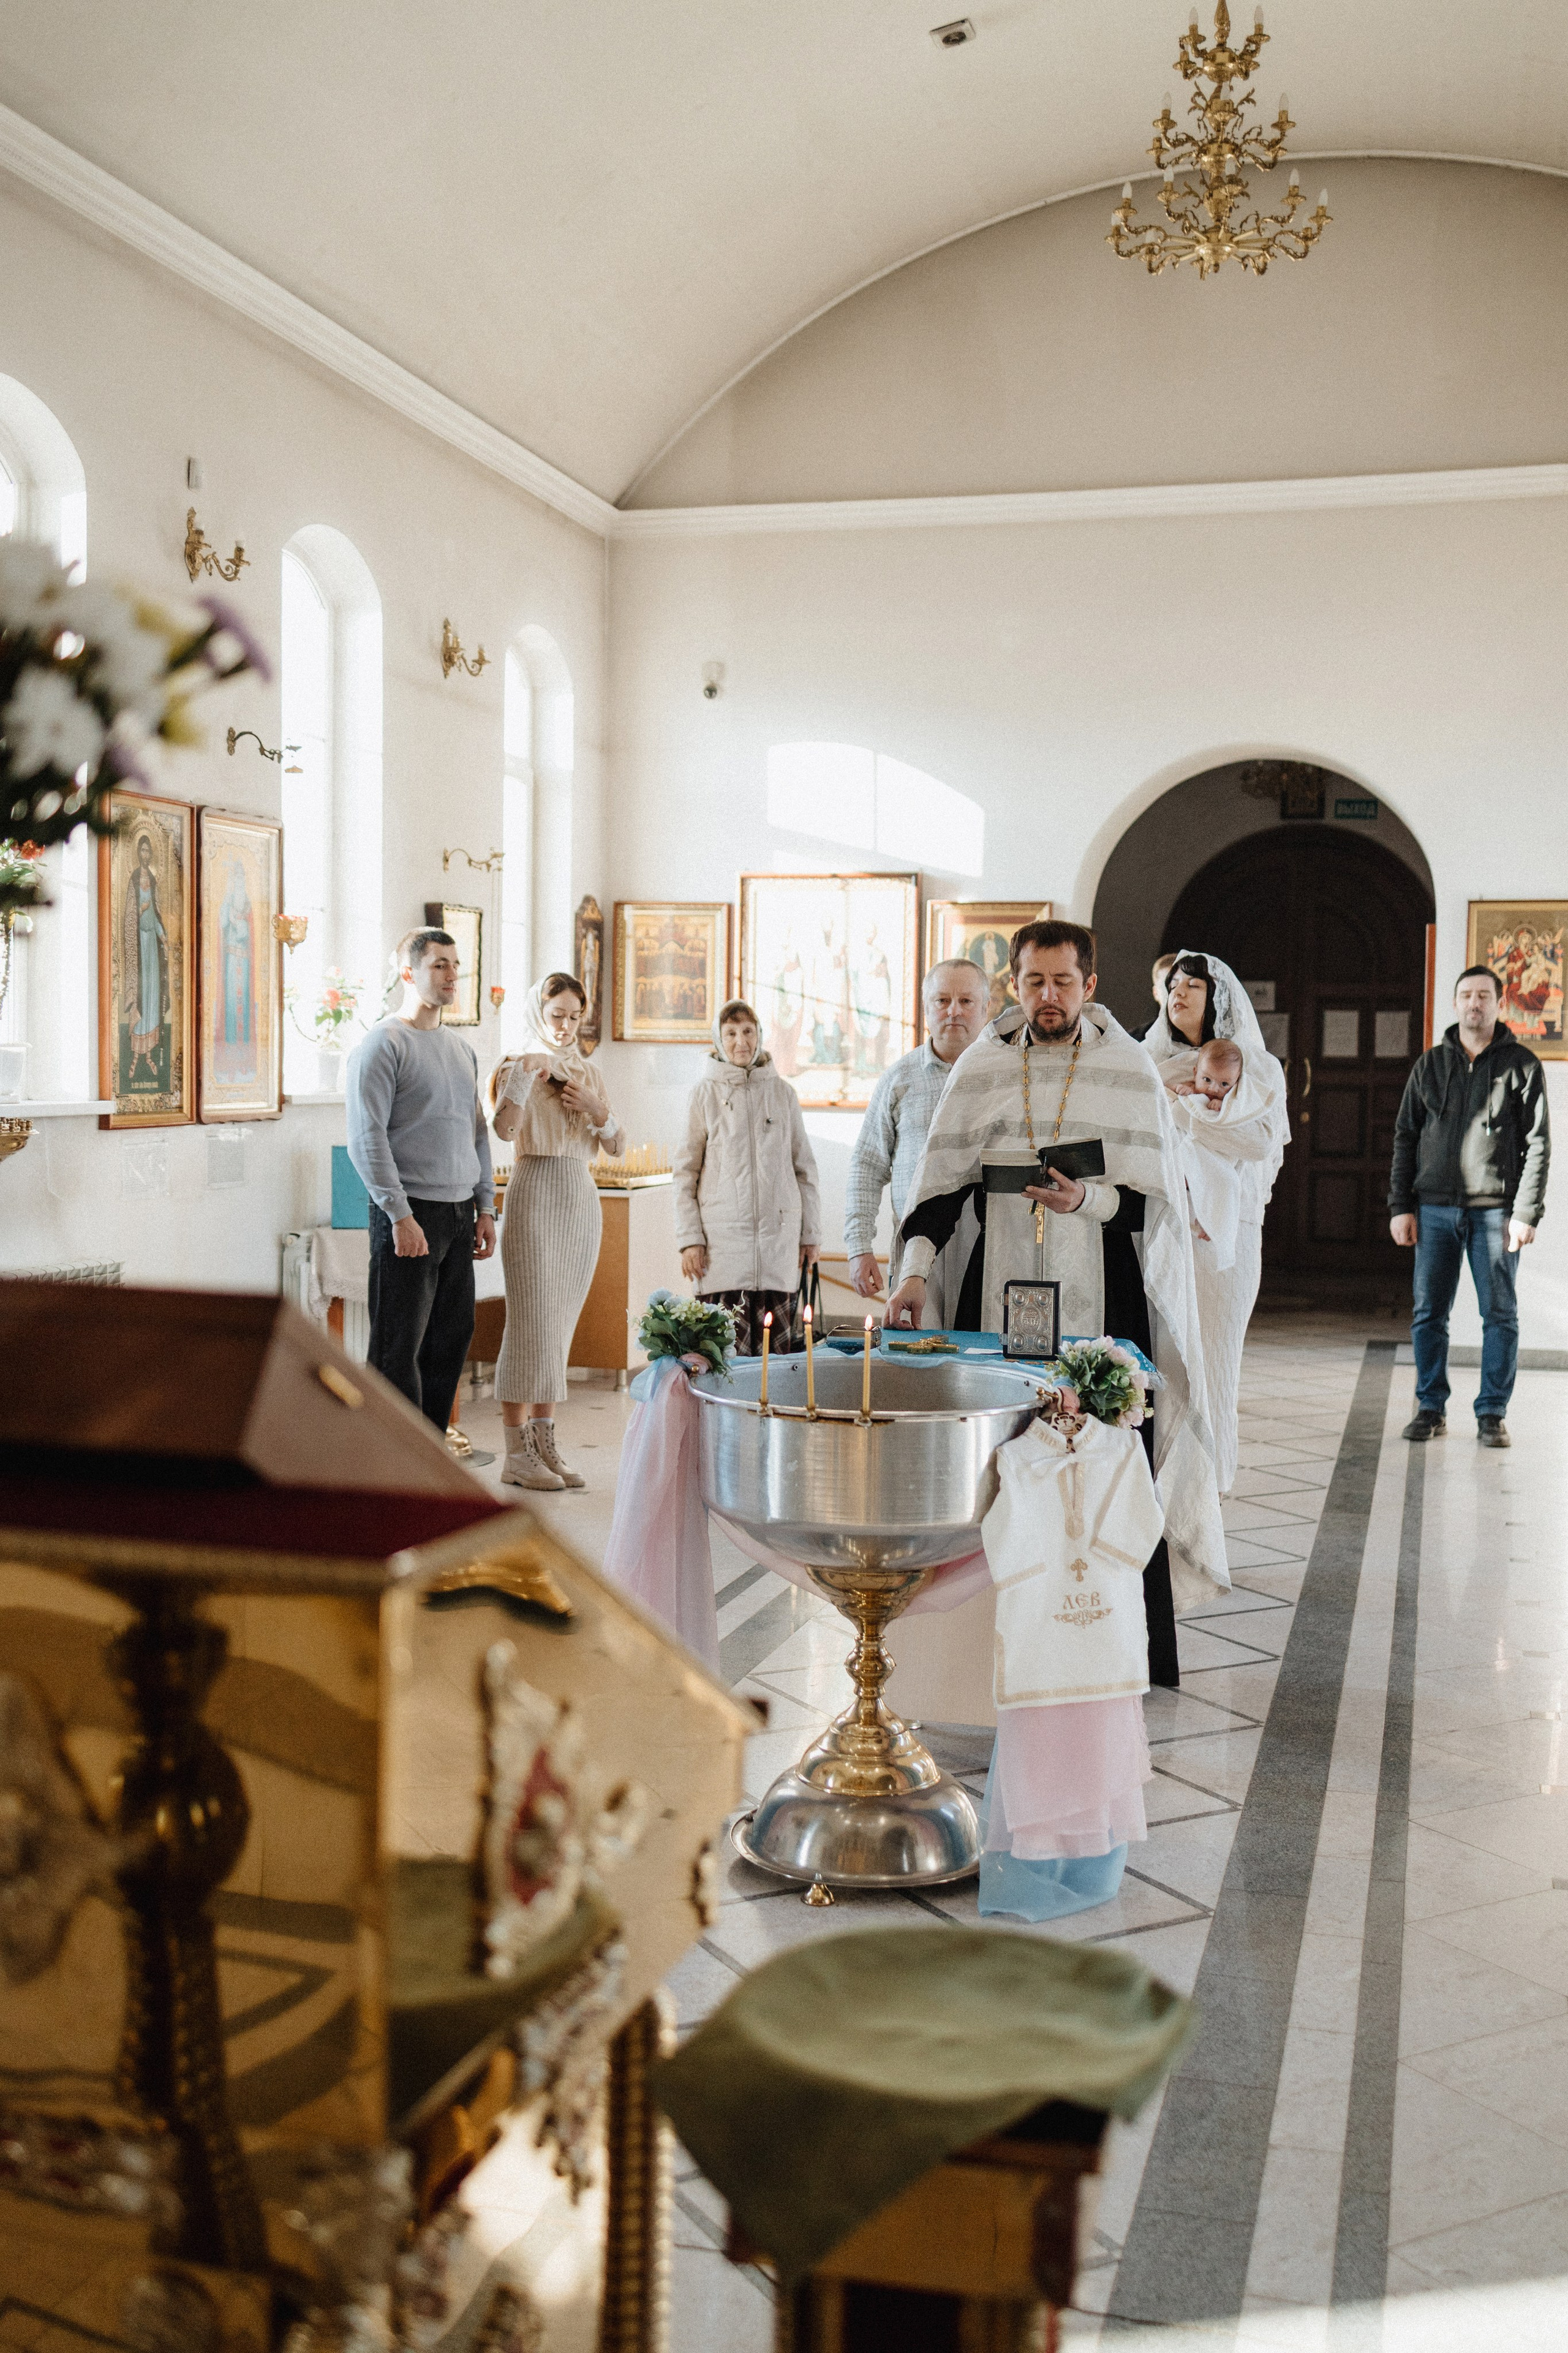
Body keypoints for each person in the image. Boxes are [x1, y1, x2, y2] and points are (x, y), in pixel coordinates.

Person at [888, 920, 1229, 1685]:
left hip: (1101, 1294)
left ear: (1091, 985)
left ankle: (1124, 1647)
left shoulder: (1126, 1068)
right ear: (1014, 983)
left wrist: (1090, 1200)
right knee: (1001, 1458)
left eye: (1063, 983)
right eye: (1034, 982)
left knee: (1110, 1463)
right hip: (995, 1295)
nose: (1049, 997)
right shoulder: (981, 1068)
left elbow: (1158, 1206)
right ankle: (995, 1643)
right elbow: (939, 1192)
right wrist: (913, 1272)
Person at [1145, 952, 1289, 1495]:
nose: (1178, 991)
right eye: (1174, 983)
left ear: (1219, 998)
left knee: (1217, 1361)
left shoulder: (1257, 1067)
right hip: (1162, 1227)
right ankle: (1164, 1482)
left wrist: (1183, 1111)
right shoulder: (1147, 1059)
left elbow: (1256, 1141)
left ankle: (1212, 1484)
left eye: (1193, 985)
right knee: (1166, 1360)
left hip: (1228, 1238)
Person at [1390, 964, 1551, 1449]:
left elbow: (1538, 1144)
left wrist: (1527, 1213)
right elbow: (1405, 1137)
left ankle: (1491, 1414)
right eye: (1466, 995)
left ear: (1500, 1004)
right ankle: (1431, 1407)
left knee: (1499, 1315)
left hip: (1496, 1213)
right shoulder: (1429, 1066)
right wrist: (1401, 1205)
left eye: (1484, 995)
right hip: (1434, 1209)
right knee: (1428, 1314)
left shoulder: (1522, 1065)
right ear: (1456, 1003)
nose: (1474, 1003)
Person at [346, 928, 496, 1430]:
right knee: (396, 1351)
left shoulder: (462, 1050)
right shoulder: (382, 1044)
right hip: (411, 1213)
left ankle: (429, 1464)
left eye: (456, 964)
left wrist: (486, 1208)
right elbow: (366, 1140)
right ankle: (389, 1472)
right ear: (408, 973)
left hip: (458, 1216)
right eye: (439, 965)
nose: (452, 974)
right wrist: (399, 1215)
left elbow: (475, 1134)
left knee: (448, 1344)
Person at [489, 973, 625, 1490]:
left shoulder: (589, 1073)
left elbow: (616, 1145)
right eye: (557, 1016)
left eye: (574, 1016)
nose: (566, 1026)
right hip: (534, 1190)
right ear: (538, 1014)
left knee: (559, 1327)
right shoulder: (514, 1065)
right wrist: (524, 1077)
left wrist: (597, 1109)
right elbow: (502, 1130)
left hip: (579, 1196)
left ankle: (545, 1443)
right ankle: (514, 1449)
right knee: (530, 1323)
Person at [845, 959, 991, 1322]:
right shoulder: (899, 1080)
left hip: (988, 1251)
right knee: (917, 1368)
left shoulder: (1006, 1078)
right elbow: (866, 1166)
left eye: (966, 1001)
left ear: (987, 1008)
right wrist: (859, 1247)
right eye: (942, 1001)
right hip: (914, 1252)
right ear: (926, 1008)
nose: (954, 1011)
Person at [674, 997, 821, 1355]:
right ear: (718, 1039)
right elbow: (685, 1174)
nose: (742, 1042)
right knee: (724, 1361)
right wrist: (690, 1239)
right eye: (731, 1033)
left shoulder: (783, 1094)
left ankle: (776, 1415)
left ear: (759, 1035)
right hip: (723, 1252)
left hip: (778, 1250)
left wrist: (811, 1233)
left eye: (748, 1032)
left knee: (780, 1365)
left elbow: (805, 1170)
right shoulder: (704, 1095)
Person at [1134, 952, 1178, 1043]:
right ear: (1156, 993)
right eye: (1168, 985)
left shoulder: (1212, 1038)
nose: (1177, 992)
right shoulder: (1133, 1040)